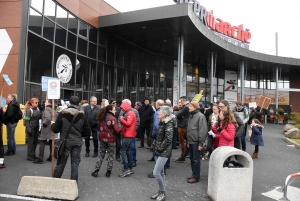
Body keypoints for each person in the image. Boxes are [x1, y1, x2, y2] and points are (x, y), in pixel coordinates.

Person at [51, 96, 91, 182]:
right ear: (79, 103)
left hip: (65, 143)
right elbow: (88, 131)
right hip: (77, 143)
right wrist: (80, 135)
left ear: (69, 102)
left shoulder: (62, 114)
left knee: (61, 163)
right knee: (75, 164)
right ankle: (73, 184)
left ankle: (55, 182)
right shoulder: (81, 115)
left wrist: (52, 125)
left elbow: (55, 129)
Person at [91, 104, 122, 178]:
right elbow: (117, 130)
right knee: (111, 155)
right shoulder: (113, 118)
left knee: (101, 154)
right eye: (114, 109)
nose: (115, 110)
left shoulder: (101, 117)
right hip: (111, 139)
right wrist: (123, 127)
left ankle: (96, 170)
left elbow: (98, 128)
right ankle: (108, 172)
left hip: (102, 139)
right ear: (110, 110)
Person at [151, 106, 174, 201]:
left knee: (156, 173)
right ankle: (160, 191)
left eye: (160, 112)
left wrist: (159, 148)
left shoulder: (168, 124)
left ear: (164, 114)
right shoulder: (162, 122)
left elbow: (168, 139)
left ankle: (163, 192)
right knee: (161, 172)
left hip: (163, 152)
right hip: (158, 150)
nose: (158, 113)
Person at [186, 101, 207, 183]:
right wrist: (188, 141)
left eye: (190, 106)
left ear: (195, 107)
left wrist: (201, 143)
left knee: (196, 159)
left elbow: (203, 130)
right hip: (191, 141)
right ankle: (193, 173)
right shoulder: (191, 115)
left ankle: (196, 176)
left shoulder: (200, 116)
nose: (189, 107)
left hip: (196, 142)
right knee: (192, 159)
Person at [119, 99, 137, 177]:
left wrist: (121, 119)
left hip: (127, 135)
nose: (122, 110)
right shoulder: (131, 112)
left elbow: (128, 123)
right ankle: (130, 168)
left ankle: (126, 169)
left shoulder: (130, 113)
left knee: (123, 151)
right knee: (128, 151)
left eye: (122, 108)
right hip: (130, 134)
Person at [175, 96, 190, 162]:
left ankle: (182, 156)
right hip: (184, 124)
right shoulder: (187, 106)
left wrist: (180, 115)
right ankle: (183, 155)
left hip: (182, 125)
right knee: (184, 141)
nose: (180, 102)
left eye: (180, 101)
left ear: (184, 100)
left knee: (182, 141)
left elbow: (178, 115)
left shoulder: (186, 107)